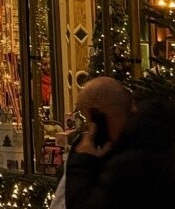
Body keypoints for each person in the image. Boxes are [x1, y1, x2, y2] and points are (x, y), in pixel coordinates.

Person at [62, 76, 175, 208]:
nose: (90, 130)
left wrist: (82, 162)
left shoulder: (129, 162)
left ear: (98, 117)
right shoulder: (155, 135)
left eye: (88, 121)